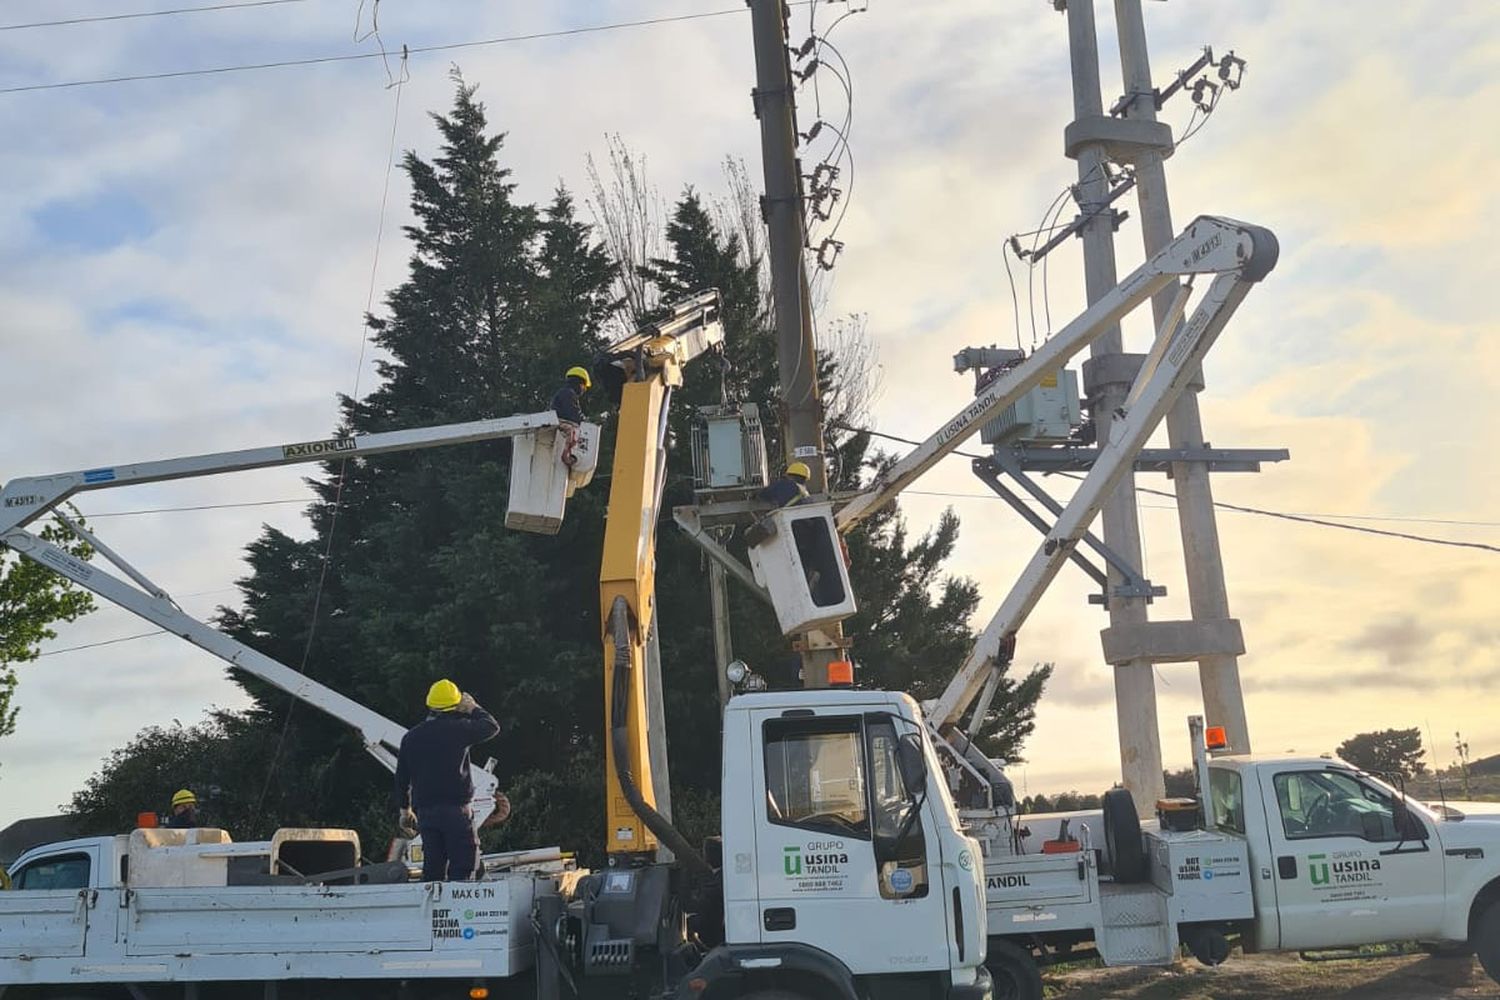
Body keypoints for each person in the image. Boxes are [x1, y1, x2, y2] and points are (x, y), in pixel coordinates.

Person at [392, 679, 502, 882]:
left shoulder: (411, 737)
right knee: (464, 867)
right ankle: (460, 911)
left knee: (433, 869)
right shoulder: (459, 729)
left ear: (431, 704)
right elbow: (491, 727)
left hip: (426, 813)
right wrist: (473, 708)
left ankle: (432, 911)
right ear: (455, 705)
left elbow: (402, 777)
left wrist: (404, 810)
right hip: (456, 811)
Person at [551, 366, 592, 468]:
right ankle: (566, 455)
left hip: (559, 420)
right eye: (583, 386)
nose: (584, 389)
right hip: (559, 421)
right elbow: (573, 414)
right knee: (571, 431)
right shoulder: (568, 394)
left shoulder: (566, 392)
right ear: (578, 382)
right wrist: (586, 421)